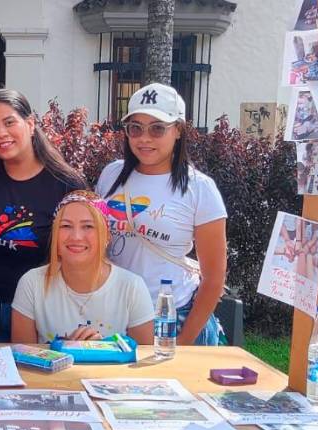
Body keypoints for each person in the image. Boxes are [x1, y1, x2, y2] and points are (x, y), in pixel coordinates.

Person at [96, 83, 229, 346]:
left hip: (170, 317)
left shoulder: (200, 188)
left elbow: (214, 278)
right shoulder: (111, 175)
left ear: (178, 130)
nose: (144, 138)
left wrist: (185, 340)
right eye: (135, 128)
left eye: (157, 128)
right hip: (115, 315)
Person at [0, 89, 86, 342]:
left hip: (41, 313)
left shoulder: (65, 185)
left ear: (30, 124)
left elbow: (84, 248)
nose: (1, 133)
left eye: (10, 122)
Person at [11, 190, 155, 344]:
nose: (76, 237)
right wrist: (64, 349)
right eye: (66, 226)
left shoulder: (132, 287)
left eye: (88, 226)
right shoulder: (31, 283)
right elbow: (22, 358)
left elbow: (143, 362)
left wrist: (101, 351)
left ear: (106, 236)